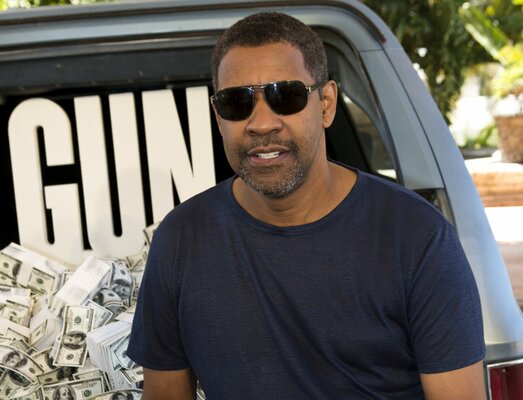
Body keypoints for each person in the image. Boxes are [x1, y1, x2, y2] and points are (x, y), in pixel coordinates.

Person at [127, 11, 485, 400]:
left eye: (286, 96)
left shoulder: (416, 237)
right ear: (218, 116)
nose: (262, 123)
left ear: (326, 103)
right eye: (236, 102)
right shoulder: (181, 239)